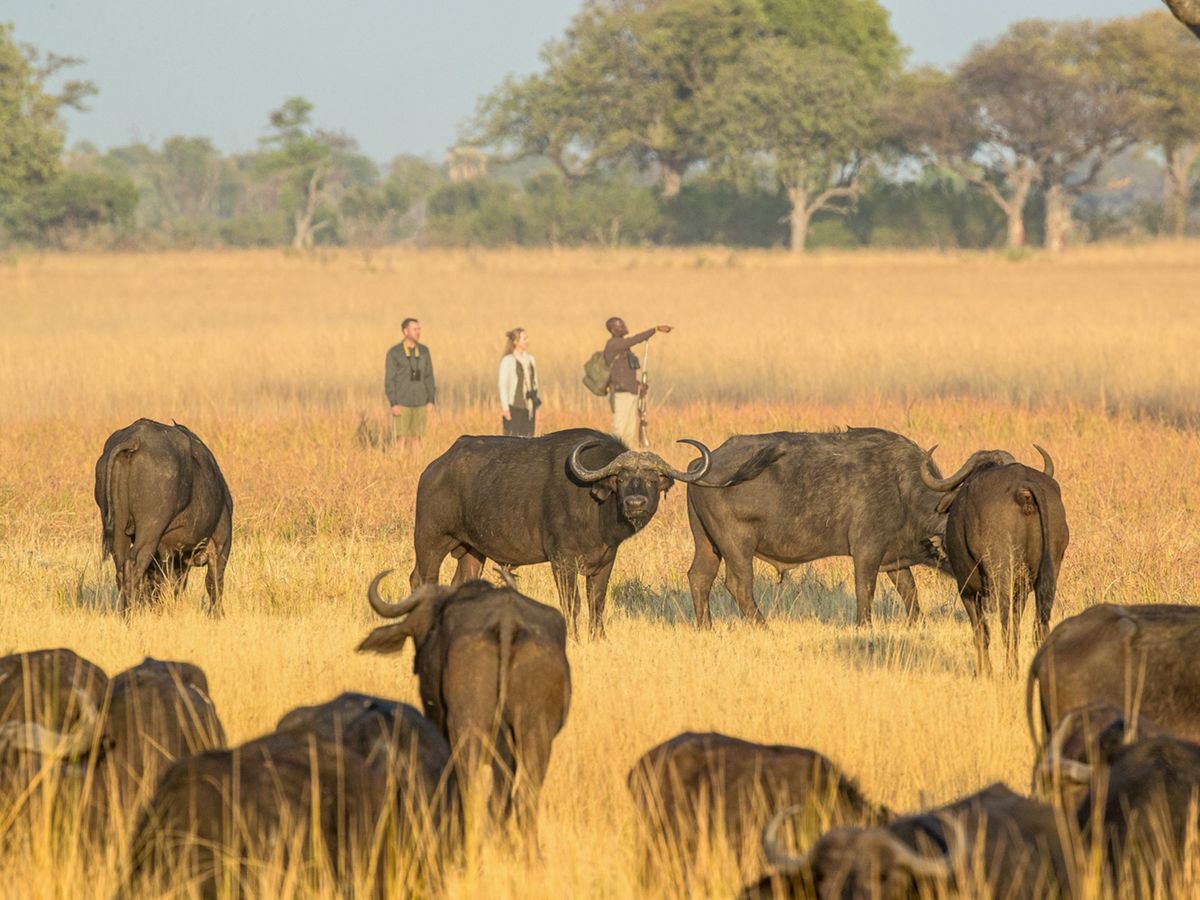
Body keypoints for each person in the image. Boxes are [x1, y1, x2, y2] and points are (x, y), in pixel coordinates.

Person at [603, 317, 671, 448]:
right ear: (613, 330)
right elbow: (634, 340)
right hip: (620, 395)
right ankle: (611, 458)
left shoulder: (623, 348)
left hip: (630, 393)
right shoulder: (614, 344)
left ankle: (625, 458)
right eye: (621, 325)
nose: (624, 327)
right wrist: (654, 330)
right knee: (618, 430)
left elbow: (624, 373)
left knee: (629, 432)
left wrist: (638, 385)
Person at [384, 318, 436, 450]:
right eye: (415, 329)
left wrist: (430, 400)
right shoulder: (395, 352)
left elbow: (429, 377)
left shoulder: (424, 351)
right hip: (402, 401)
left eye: (419, 329)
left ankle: (417, 466)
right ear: (405, 331)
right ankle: (396, 464)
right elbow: (389, 379)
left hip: (420, 400)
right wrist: (393, 402)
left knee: (417, 437)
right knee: (400, 437)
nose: (418, 332)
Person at [498, 327, 540, 437]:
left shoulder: (531, 360)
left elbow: (534, 383)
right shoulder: (508, 360)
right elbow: (503, 385)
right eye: (524, 339)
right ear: (516, 342)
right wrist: (505, 408)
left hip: (529, 408)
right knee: (512, 441)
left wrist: (536, 407)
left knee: (529, 440)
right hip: (514, 407)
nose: (527, 341)